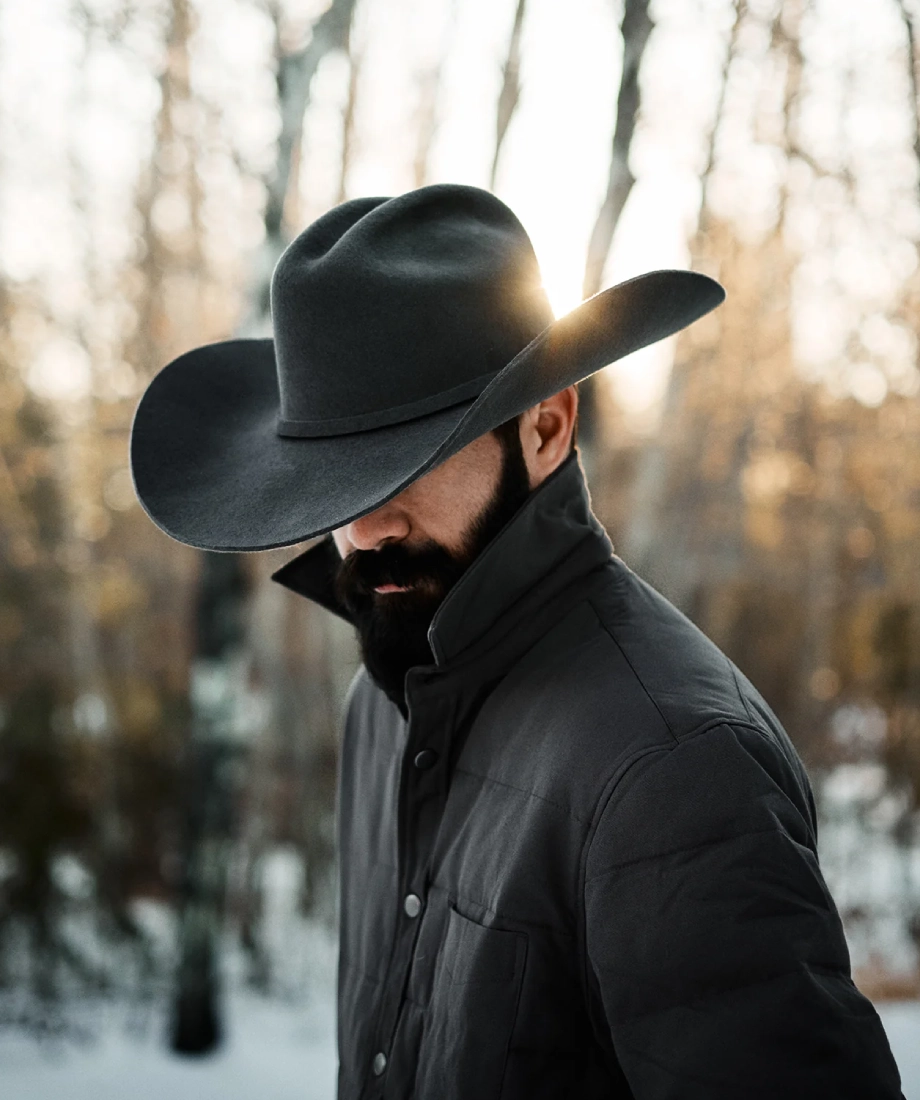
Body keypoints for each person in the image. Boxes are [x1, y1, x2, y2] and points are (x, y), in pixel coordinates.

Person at [131, 184, 903, 1098]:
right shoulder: (381, 702)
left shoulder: (675, 764)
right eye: (334, 480)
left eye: (408, 461)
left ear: (545, 427)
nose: (365, 528)